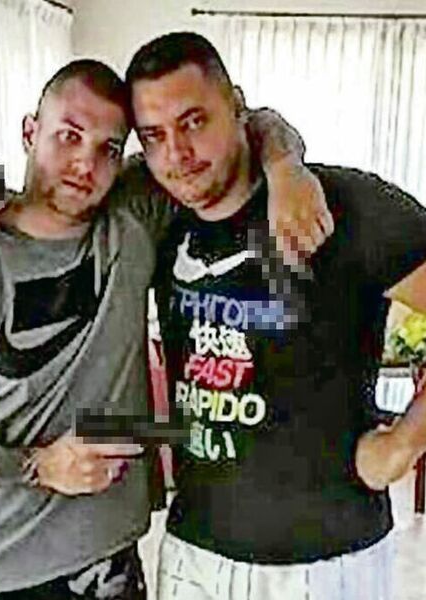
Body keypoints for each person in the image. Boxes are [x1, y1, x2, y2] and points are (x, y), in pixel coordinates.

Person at [0, 58, 327, 600]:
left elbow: (249, 121)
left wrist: (286, 170)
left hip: (109, 566)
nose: (85, 165)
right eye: (69, 136)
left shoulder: (131, 217)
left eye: (108, 148)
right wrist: (37, 465)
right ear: (29, 132)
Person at [121, 32, 426, 600]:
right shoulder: (157, 214)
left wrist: (405, 443)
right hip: (194, 553)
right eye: (154, 135)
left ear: (236, 106)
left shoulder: (345, 205)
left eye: (194, 122)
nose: (177, 155)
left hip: (330, 560)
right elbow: (43, 187)